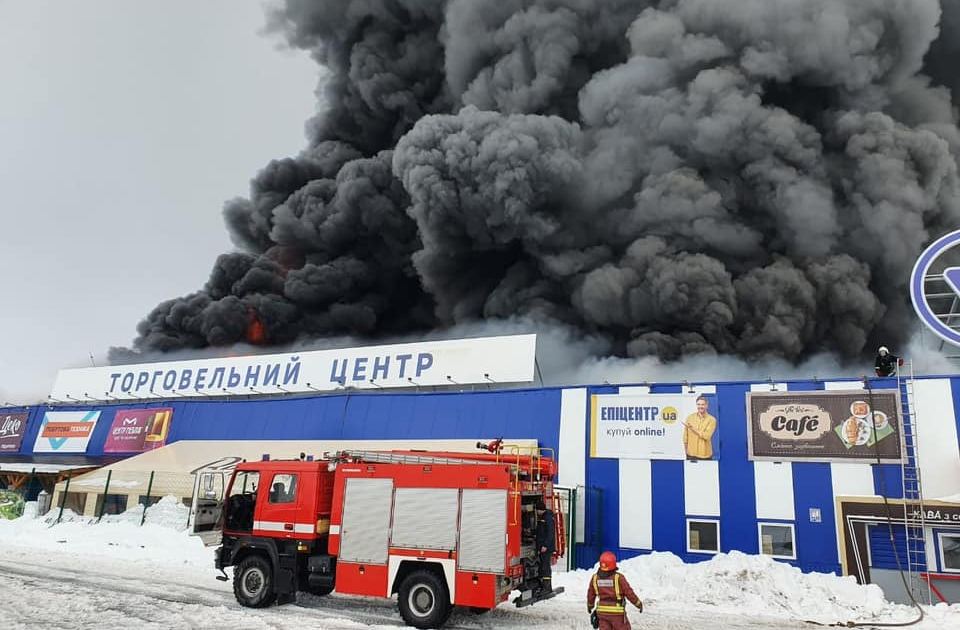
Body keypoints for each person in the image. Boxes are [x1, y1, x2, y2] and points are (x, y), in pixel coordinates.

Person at [586, 551, 643, 630]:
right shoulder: (618, 578)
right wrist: (638, 604)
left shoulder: (595, 578)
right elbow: (629, 593)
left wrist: (590, 606)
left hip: (602, 613)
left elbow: (591, 594)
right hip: (617, 614)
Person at [535, 498, 555, 593]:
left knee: (545, 566)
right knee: (542, 566)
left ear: (540, 509)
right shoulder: (543, 517)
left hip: (546, 548)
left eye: (537, 510)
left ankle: (547, 588)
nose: (536, 512)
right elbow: (541, 531)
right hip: (543, 547)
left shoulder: (547, 517)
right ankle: (544, 586)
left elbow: (550, 533)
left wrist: (545, 545)